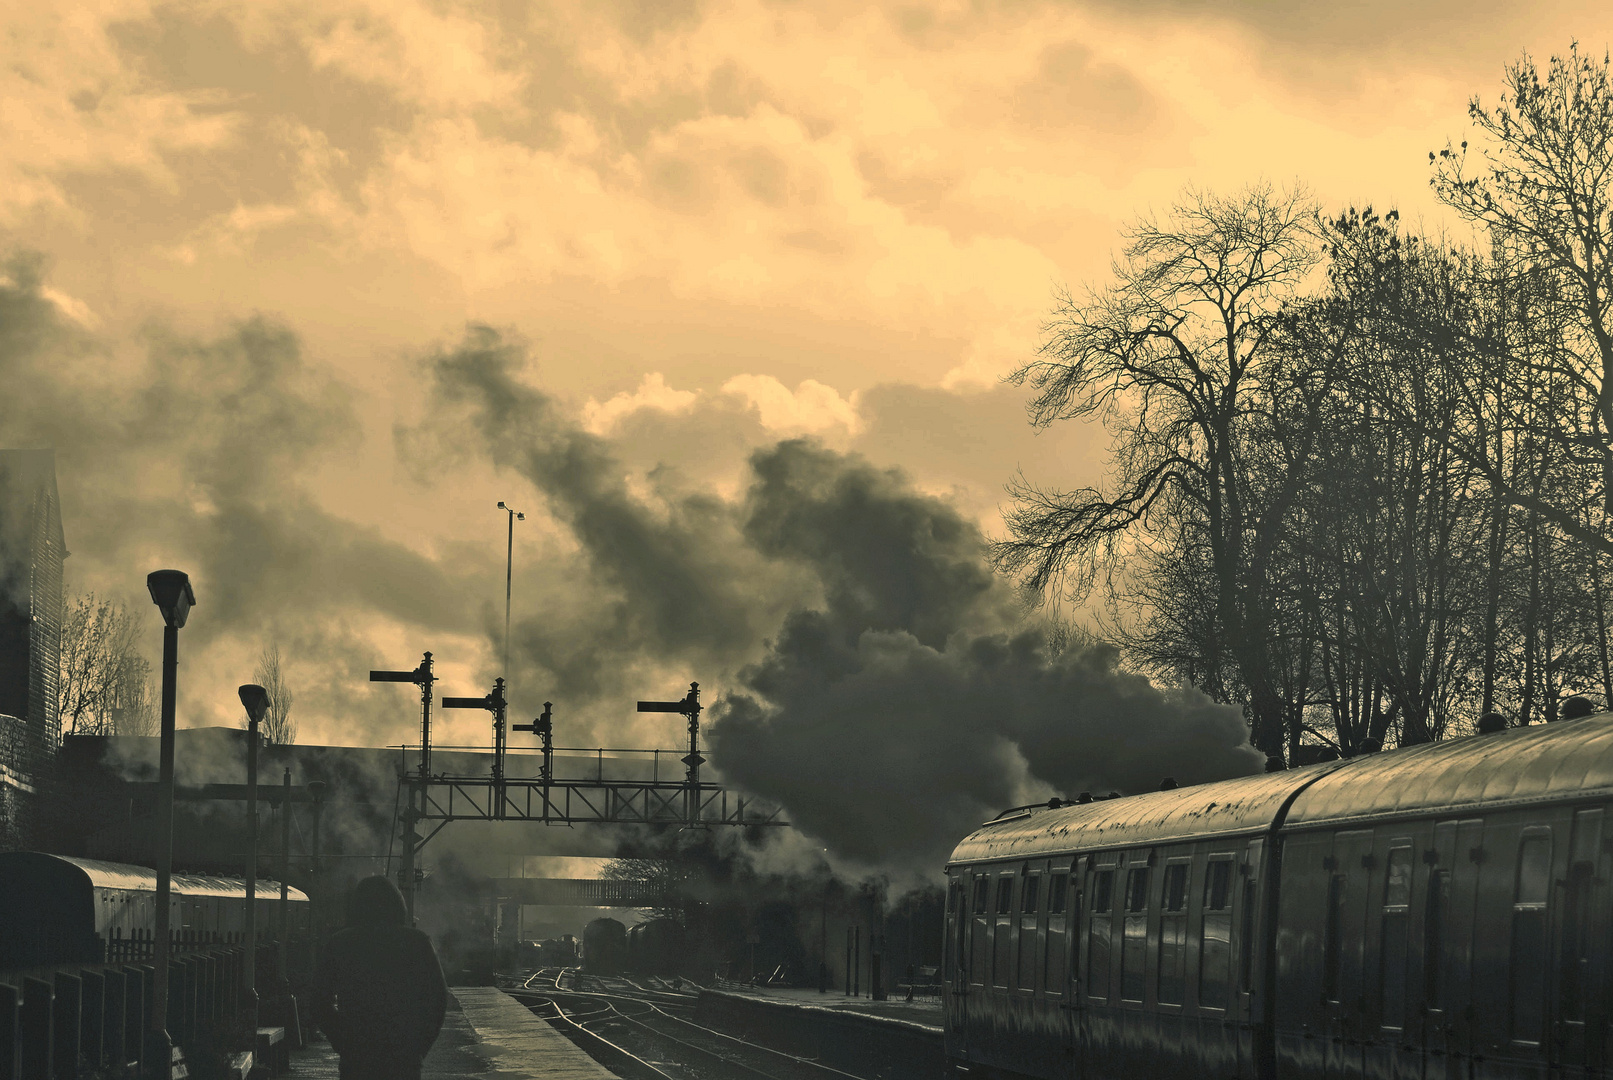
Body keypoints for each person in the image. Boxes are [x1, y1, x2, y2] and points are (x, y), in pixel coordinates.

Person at [311, 876, 448, 1080]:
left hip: (357, 1053)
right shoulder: (418, 943)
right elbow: (437, 999)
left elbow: (319, 1000)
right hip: (403, 1053)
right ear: (397, 904)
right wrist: (419, 1046)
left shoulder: (339, 944)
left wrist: (341, 1041)